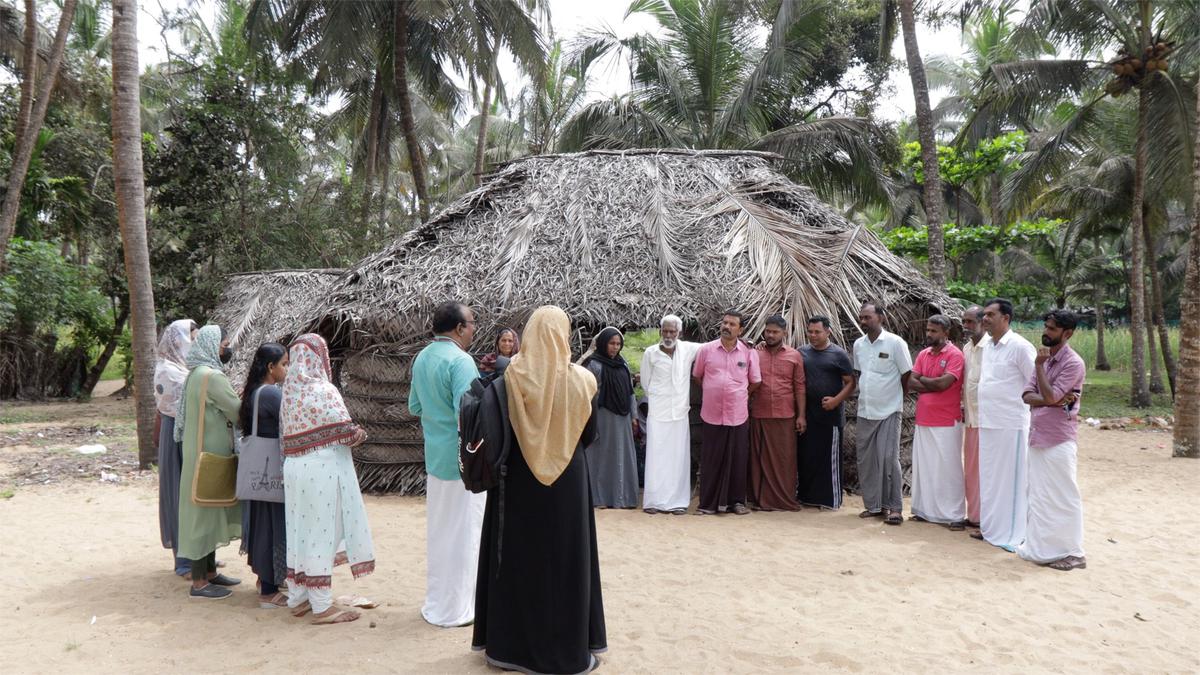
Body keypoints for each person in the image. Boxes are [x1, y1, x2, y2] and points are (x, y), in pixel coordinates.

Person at [473, 305, 607, 673]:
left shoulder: (508, 378)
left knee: (517, 558)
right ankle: (567, 651)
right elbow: (590, 434)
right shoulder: (583, 380)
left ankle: (509, 651)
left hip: (517, 482)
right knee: (565, 560)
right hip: (568, 482)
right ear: (563, 336)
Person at [281, 333, 376, 625]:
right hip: (322, 470)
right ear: (318, 358)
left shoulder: (289, 390)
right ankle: (321, 606)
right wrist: (359, 434)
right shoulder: (324, 390)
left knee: (299, 531)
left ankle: (298, 598)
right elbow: (345, 433)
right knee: (323, 533)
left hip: (295, 468)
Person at [409, 302, 487, 627]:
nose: (473, 329)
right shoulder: (461, 361)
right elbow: (468, 416)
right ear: (458, 328)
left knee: (441, 533)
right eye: (471, 323)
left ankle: (439, 602)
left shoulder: (422, 357)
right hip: (463, 463)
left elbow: (415, 406)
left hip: (435, 458)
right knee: (466, 532)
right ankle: (459, 608)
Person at [175, 325, 242, 599]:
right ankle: (200, 582)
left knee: (208, 510)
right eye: (224, 343)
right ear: (213, 345)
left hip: (198, 453)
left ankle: (211, 572)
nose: (227, 348)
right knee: (203, 515)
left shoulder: (195, 374)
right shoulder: (212, 376)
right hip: (210, 456)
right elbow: (236, 410)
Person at [1018, 310, 1087, 571]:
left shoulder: (1072, 363)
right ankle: (1043, 548)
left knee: (1064, 496)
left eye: (1052, 329)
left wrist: (1038, 368)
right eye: (1045, 326)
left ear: (1067, 334)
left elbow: (1049, 397)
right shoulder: (1045, 359)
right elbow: (1027, 395)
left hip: (1058, 439)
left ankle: (1075, 552)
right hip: (1037, 435)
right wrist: (1048, 397)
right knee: (1038, 494)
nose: (1045, 332)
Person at [972, 298, 1037, 550]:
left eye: (990, 315)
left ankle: (1011, 534)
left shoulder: (1020, 347)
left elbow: (1035, 383)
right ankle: (991, 529)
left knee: (1012, 480)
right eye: (984, 315)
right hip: (988, 421)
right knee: (989, 477)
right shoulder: (988, 346)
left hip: (1011, 424)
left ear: (1006, 318)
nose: (984, 319)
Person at [692, 311, 761, 515]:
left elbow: (756, 381)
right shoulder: (706, 350)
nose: (727, 326)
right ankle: (707, 504)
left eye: (732, 324)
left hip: (737, 414)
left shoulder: (749, 353)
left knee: (738, 459)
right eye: (725, 323)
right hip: (711, 413)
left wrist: (739, 394)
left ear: (741, 330)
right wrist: (714, 390)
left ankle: (736, 502)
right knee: (711, 459)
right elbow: (698, 376)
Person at [852, 302, 912, 526]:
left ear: (881, 318)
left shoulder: (895, 343)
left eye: (868, 317)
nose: (864, 321)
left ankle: (895, 508)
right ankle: (874, 506)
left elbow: (907, 374)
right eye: (862, 318)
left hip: (889, 410)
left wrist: (898, 397)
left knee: (888, 459)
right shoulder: (859, 345)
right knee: (866, 460)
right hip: (865, 409)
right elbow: (860, 373)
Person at [238, 343, 289, 609]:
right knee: (272, 527)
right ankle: (269, 591)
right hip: (271, 470)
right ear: (271, 367)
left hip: (258, 470)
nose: (287, 370)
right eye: (284, 364)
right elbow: (291, 419)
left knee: (262, 526)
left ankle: (264, 581)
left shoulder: (253, 391)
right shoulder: (270, 393)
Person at [907, 315, 966, 529]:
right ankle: (925, 511)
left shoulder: (955, 355)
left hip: (946, 420)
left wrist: (924, 381)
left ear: (945, 333)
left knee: (948, 468)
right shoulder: (924, 354)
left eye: (933, 331)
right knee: (926, 467)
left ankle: (955, 515)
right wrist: (929, 382)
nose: (929, 334)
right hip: (924, 419)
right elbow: (910, 382)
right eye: (928, 330)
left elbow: (944, 384)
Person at [640, 314, 701, 514]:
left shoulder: (688, 349)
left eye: (672, 331)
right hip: (658, 413)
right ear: (660, 331)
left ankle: (676, 502)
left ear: (679, 333)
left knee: (678, 458)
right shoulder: (651, 353)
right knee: (656, 457)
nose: (668, 335)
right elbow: (646, 383)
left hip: (679, 413)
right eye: (665, 331)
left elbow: (712, 347)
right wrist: (661, 399)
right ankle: (654, 501)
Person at [797, 316, 855, 510]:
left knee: (828, 458)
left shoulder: (838, 355)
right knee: (808, 456)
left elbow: (851, 383)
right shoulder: (802, 352)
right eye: (810, 332)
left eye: (817, 332)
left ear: (828, 332)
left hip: (830, 417)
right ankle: (807, 497)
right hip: (808, 414)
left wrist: (836, 400)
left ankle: (830, 500)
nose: (813, 335)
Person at [748, 315, 805, 512]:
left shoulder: (794, 355)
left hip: (785, 415)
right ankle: (760, 500)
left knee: (784, 460)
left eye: (775, 332)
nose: (770, 335)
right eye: (768, 331)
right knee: (759, 459)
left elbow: (799, 387)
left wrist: (801, 415)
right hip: (759, 413)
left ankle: (783, 500)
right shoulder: (755, 354)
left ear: (785, 333)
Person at [154, 319, 197, 577]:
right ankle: (183, 560)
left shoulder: (182, 368)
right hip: (176, 434)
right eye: (191, 338)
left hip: (185, 432)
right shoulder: (168, 371)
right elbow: (182, 405)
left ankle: (196, 554)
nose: (194, 343)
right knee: (178, 493)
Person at [580, 327, 640, 509]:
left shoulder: (623, 364)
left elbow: (630, 392)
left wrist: (634, 416)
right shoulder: (594, 364)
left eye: (618, 344)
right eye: (611, 343)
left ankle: (622, 497)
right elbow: (586, 392)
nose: (615, 347)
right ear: (603, 343)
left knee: (621, 456)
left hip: (622, 419)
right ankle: (600, 498)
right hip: (602, 417)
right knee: (601, 457)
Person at [960, 306, 985, 527]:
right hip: (970, 419)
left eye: (970, 322)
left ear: (982, 322)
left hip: (988, 421)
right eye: (964, 322)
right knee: (971, 470)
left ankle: (987, 518)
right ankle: (975, 516)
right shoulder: (967, 349)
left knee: (986, 470)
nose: (966, 326)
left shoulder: (993, 349)